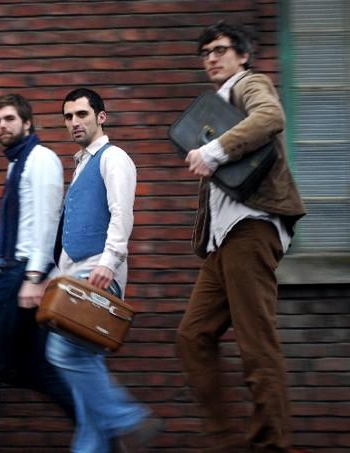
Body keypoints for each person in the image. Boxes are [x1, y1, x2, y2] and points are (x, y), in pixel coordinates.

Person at [176, 21, 306, 452]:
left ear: (243, 55)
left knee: (256, 343)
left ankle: (271, 445)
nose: (211, 58)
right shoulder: (217, 106)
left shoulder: (250, 83)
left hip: (252, 228)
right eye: (205, 52)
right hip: (224, 241)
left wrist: (212, 152)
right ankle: (226, 442)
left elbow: (270, 117)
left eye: (220, 49)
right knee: (193, 336)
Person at [44, 88, 163, 453]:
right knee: (85, 375)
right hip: (75, 277)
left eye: (81, 114)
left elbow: (121, 213)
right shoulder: (81, 165)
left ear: (101, 117)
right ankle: (94, 445)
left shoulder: (114, 158)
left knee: (62, 353)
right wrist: (56, 278)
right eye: (68, 117)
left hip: (97, 275)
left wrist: (109, 262)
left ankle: (128, 419)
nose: (74, 122)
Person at [0, 94, 74, 452]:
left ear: (27, 123)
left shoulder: (40, 159)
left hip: (22, 276)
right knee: (36, 367)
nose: (2, 126)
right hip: (14, 272)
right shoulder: (17, 164)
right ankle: (101, 425)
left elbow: (48, 221)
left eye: (9, 118)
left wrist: (34, 277)